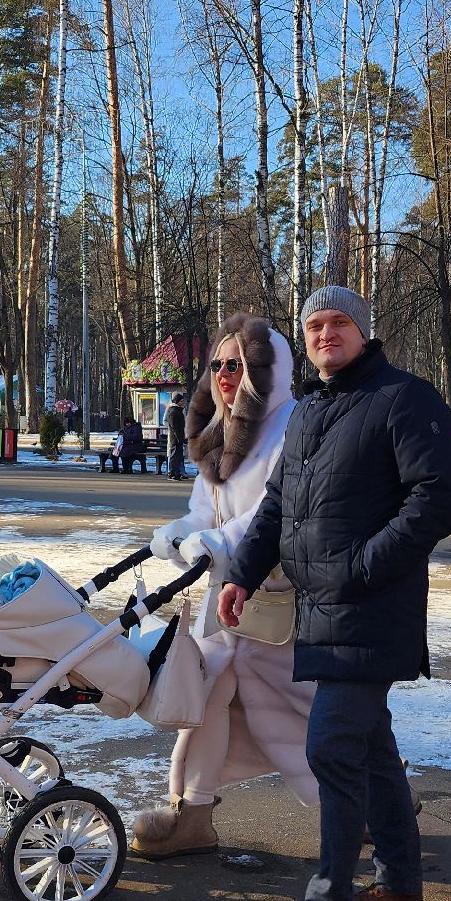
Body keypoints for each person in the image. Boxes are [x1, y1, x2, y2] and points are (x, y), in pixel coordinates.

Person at [219, 285, 451, 901]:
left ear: (362, 331)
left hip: (373, 606)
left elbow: (440, 497)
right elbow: (277, 507)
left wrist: (363, 565)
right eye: (314, 324)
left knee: (331, 744)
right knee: (371, 749)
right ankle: (399, 885)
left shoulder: (403, 398)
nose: (326, 333)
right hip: (320, 610)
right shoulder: (309, 413)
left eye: (338, 323)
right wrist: (241, 572)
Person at [134, 313, 314, 859]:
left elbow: (276, 514)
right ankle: (190, 812)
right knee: (203, 697)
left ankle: (379, 802)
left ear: (269, 369)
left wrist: (217, 544)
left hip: (281, 605)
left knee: (305, 715)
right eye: (217, 364)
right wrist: (181, 534)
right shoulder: (221, 432)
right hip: (229, 603)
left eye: (237, 365)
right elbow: (201, 512)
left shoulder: (294, 428)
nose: (224, 375)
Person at [165, 392, 189, 480]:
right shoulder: (173, 412)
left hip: (179, 438)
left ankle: (177, 473)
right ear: (177, 401)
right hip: (175, 439)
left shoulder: (179, 411)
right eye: (181, 401)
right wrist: (179, 438)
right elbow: (174, 427)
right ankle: (172, 474)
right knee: (174, 456)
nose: (183, 402)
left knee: (178, 456)